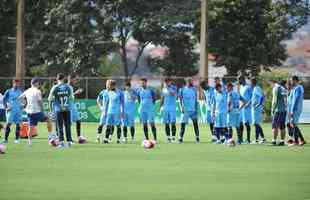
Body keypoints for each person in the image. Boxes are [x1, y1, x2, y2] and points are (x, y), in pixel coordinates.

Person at [19, 78, 54, 146]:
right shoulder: (37, 91)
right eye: (38, 83)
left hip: (29, 112)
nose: (38, 84)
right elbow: (40, 102)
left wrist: (24, 104)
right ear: (36, 83)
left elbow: (20, 98)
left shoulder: (27, 90)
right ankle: (50, 137)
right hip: (37, 112)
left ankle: (29, 142)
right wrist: (43, 111)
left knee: (31, 127)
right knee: (48, 119)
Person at [48, 73, 74, 148]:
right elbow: (72, 98)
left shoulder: (55, 87)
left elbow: (49, 99)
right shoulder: (68, 87)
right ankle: (69, 142)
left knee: (59, 126)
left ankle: (61, 142)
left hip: (58, 109)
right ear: (64, 78)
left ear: (57, 79)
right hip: (67, 108)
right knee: (67, 125)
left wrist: (51, 110)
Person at [178, 78, 200, 143]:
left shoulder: (194, 89)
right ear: (187, 82)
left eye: (192, 81)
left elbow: (196, 100)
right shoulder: (182, 89)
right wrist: (181, 107)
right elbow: (180, 99)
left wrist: (196, 108)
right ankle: (180, 138)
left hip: (193, 110)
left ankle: (197, 137)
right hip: (186, 110)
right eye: (190, 81)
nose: (192, 82)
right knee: (183, 124)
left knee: (195, 124)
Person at [2, 79, 23, 144]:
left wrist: (23, 105)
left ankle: (16, 139)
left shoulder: (20, 92)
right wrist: (6, 108)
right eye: (15, 83)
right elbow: (4, 99)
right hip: (10, 111)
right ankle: (5, 139)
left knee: (18, 124)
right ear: (13, 83)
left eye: (18, 83)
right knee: (8, 124)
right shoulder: (8, 91)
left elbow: (24, 99)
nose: (17, 85)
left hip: (18, 111)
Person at [288, 76, 306, 146]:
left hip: (295, 108)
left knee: (294, 124)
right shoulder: (295, 88)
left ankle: (296, 142)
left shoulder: (298, 88)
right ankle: (302, 140)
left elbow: (296, 99)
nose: (291, 82)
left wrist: (292, 110)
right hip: (294, 108)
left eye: (292, 80)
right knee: (293, 124)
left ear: (295, 80)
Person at [67, 73, 85, 142]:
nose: (76, 81)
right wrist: (76, 93)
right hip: (68, 107)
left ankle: (79, 137)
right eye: (76, 79)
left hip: (72, 105)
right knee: (69, 124)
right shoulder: (67, 87)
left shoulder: (71, 87)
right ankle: (69, 138)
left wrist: (75, 93)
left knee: (78, 120)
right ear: (71, 79)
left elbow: (71, 96)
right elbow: (68, 97)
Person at [160, 78, 177, 143]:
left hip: (172, 108)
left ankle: (173, 138)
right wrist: (160, 107)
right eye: (166, 82)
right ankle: (168, 138)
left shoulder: (174, 87)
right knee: (166, 123)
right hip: (165, 108)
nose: (167, 83)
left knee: (173, 123)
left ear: (170, 82)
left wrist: (167, 88)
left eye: (168, 82)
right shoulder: (163, 89)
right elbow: (162, 98)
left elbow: (173, 94)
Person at [271, 80, 287, 146]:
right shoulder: (284, 89)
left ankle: (274, 141)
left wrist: (272, 109)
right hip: (283, 110)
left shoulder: (276, 88)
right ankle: (282, 141)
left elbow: (275, 100)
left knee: (275, 126)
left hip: (277, 110)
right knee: (282, 126)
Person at [250, 78, 266, 144]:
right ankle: (256, 139)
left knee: (256, 124)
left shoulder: (256, 88)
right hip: (256, 108)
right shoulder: (257, 88)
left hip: (256, 108)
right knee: (256, 124)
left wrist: (258, 104)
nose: (250, 84)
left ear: (252, 83)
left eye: (250, 83)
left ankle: (262, 138)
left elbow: (262, 96)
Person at [238, 76, 253, 144]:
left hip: (246, 108)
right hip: (241, 107)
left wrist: (248, 104)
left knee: (246, 123)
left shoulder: (248, 87)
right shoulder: (241, 87)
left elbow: (252, 97)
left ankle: (248, 139)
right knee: (240, 123)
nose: (238, 81)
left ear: (243, 80)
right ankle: (240, 139)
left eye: (239, 80)